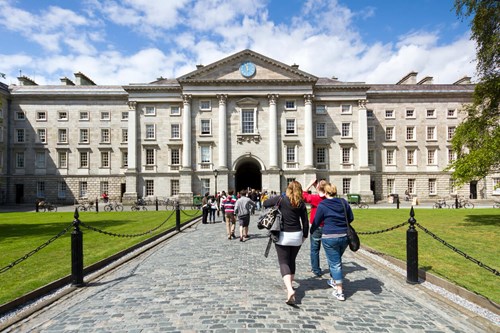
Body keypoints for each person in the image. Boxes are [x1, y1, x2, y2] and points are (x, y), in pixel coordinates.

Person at [263, 181, 309, 306]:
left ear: (287, 189)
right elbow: (305, 221)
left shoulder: (281, 199)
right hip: (297, 235)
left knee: (283, 261)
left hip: (283, 235)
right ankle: (290, 284)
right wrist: (305, 235)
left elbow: (265, 203)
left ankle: (289, 289)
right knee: (292, 260)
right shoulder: (301, 203)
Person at [310, 183, 354, 301]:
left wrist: (311, 231)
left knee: (335, 263)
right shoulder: (343, 202)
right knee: (337, 260)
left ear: (325, 192)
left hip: (330, 236)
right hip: (344, 236)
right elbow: (351, 218)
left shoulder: (323, 204)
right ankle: (334, 280)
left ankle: (339, 290)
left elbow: (317, 221)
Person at [303, 178, 328, 277]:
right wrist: (318, 187)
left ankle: (316, 269)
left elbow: (303, 194)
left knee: (314, 249)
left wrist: (309, 184)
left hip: (316, 226)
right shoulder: (330, 198)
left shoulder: (315, 198)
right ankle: (333, 268)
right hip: (328, 227)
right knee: (329, 249)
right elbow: (322, 193)